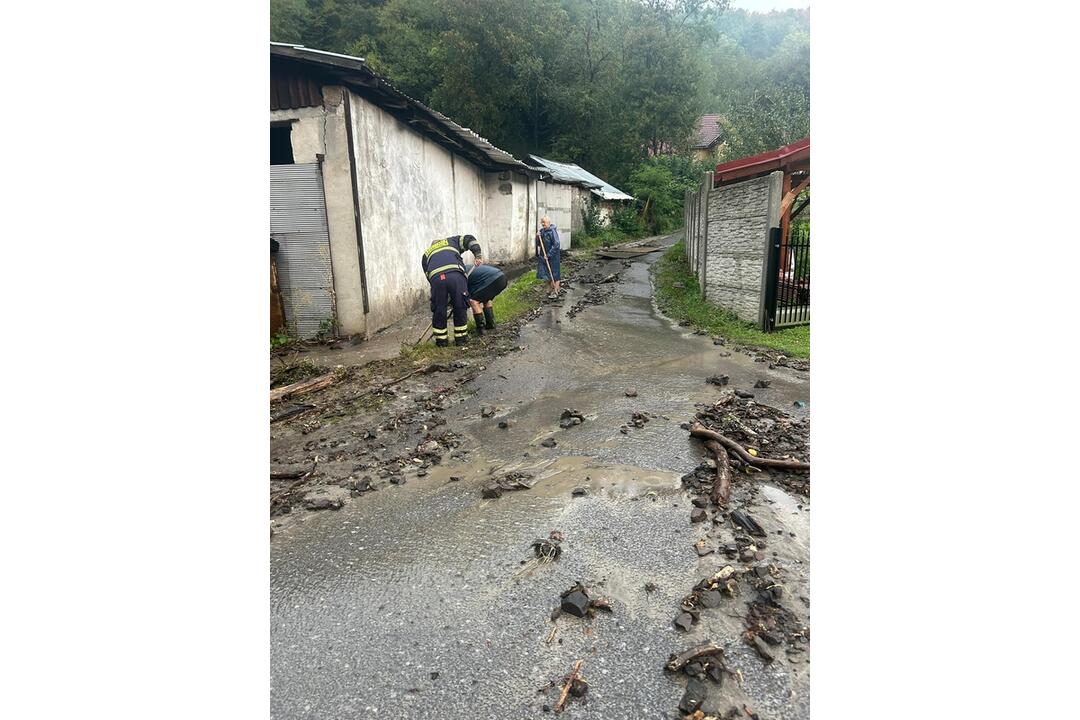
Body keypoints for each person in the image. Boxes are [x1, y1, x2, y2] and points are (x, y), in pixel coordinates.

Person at [421, 234, 482, 347]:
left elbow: (429, 277)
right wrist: (477, 255)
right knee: (460, 306)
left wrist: (442, 295)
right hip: (456, 276)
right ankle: (461, 339)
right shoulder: (451, 242)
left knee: (439, 309)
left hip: (437, 280)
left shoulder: (425, 255)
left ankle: (441, 343)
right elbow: (470, 239)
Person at [466, 263, 507, 336]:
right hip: (502, 277)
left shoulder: (460, 273)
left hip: (492, 279)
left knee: (473, 301)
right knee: (486, 299)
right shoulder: (467, 267)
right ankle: (491, 324)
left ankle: (481, 330)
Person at [535, 216, 561, 296]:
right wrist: (537, 237)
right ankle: (550, 288)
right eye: (542, 222)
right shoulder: (542, 232)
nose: (542, 224)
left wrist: (549, 255)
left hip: (553, 256)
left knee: (555, 273)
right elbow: (538, 244)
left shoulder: (552, 231)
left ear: (549, 223)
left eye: (544, 222)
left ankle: (556, 290)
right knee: (546, 272)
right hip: (544, 255)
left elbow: (557, 244)